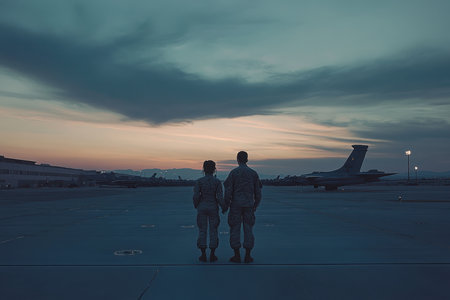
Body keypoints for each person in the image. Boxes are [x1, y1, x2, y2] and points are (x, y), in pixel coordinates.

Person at [224, 151, 262, 263]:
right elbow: (258, 192)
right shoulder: (253, 173)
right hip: (249, 205)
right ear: (247, 159)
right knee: (248, 229)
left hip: (236, 205)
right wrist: (255, 205)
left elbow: (228, 190)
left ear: (237, 159)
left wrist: (226, 204)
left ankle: (236, 255)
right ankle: (248, 255)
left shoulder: (234, 173)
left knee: (235, 229)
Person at [193, 160, 225, 262]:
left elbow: (196, 196)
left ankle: (203, 254)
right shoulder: (217, 182)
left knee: (202, 230)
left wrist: (196, 205)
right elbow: (220, 197)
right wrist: (223, 207)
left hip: (202, 207)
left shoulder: (199, 181)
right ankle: (212, 254)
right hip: (213, 207)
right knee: (213, 230)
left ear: (204, 169)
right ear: (214, 169)